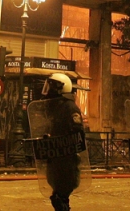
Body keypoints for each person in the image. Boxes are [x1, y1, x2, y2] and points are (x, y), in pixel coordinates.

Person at [38, 72, 85, 211]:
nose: (48, 89)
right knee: (57, 195)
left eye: (51, 86)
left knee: (60, 197)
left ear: (59, 88)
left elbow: (77, 133)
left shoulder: (69, 107)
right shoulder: (54, 107)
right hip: (55, 157)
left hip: (66, 159)